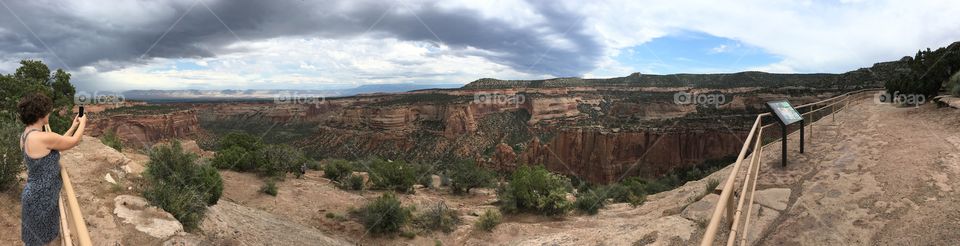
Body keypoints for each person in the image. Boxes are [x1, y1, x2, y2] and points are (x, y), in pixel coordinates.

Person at [17, 93, 86, 246]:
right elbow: (73, 141)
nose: (49, 113)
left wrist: (73, 126)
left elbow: (58, 143)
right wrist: (83, 123)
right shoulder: (41, 137)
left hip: (34, 195)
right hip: (42, 198)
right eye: (47, 110)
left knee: (35, 241)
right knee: (40, 242)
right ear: (40, 114)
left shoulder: (26, 135)